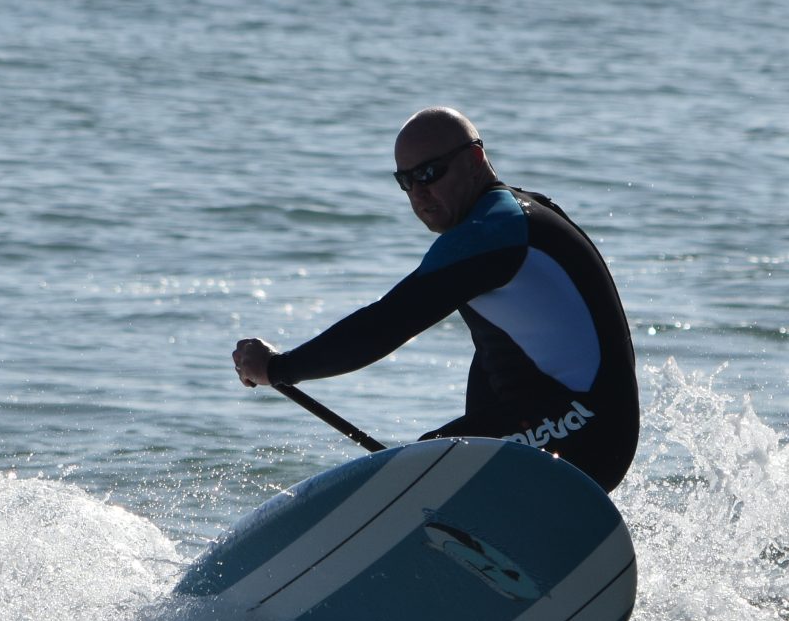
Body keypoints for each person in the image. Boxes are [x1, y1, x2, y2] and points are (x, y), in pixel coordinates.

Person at [231, 107, 640, 492]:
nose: (419, 193)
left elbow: (386, 324)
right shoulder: (508, 217)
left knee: (431, 468)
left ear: (475, 160)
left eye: (429, 173)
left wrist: (280, 367)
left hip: (588, 432)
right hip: (570, 422)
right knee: (443, 451)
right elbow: (498, 363)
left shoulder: (494, 231)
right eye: (406, 181)